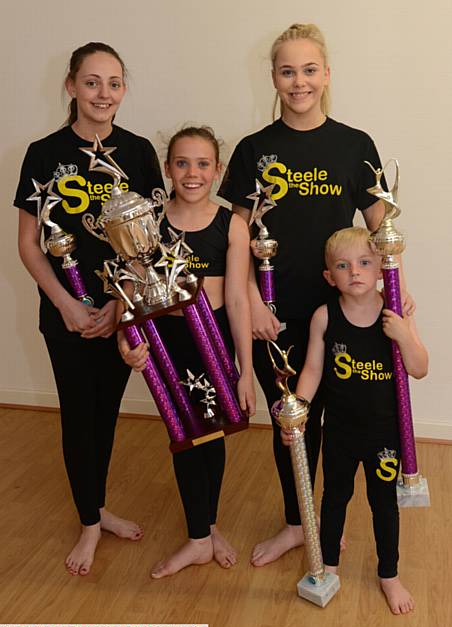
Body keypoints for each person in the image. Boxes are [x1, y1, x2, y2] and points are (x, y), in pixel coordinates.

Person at [219, 22, 410, 567]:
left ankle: (327, 519)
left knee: (338, 421)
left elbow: (382, 230)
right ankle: (298, 521)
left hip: (342, 314)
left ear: (326, 75)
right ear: (274, 78)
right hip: (273, 318)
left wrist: (398, 293)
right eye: (287, 71)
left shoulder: (356, 145)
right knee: (292, 420)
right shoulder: (255, 150)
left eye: (309, 70)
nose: (298, 82)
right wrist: (252, 299)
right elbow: (237, 238)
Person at [14, 42, 165, 576]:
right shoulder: (42, 153)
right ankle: (88, 524)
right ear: (72, 85)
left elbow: (148, 243)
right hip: (66, 317)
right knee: (79, 416)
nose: (104, 93)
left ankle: (97, 508)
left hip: (120, 311)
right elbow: (29, 244)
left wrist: (115, 305)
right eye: (93, 82)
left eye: (114, 83)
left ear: (124, 89)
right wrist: (66, 306)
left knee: (106, 416)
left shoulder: (141, 151)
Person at [119, 126, 256, 579]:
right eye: (182, 163)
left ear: (218, 171)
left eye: (202, 164)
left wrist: (245, 370)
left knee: (212, 437)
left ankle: (206, 527)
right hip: (167, 342)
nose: (192, 173)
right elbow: (131, 291)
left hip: (213, 342)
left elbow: (237, 299)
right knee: (183, 439)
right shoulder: (150, 222)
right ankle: (199, 535)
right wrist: (127, 340)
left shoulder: (230, 224)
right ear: (167, 169)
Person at [281, 226, 428, 614]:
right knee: (334, 500)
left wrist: (404, 336)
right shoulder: (324, 316)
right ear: (330, 277)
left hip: (384, 435)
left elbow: (420, 368)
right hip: (340, 433)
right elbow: (311, 370)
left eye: (364, 262)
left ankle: (389, 575)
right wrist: (299, 409)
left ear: (381, 267)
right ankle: (328, 566)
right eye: (344, 266)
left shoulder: (394, 314)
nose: (355, 272)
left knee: (383, 504)